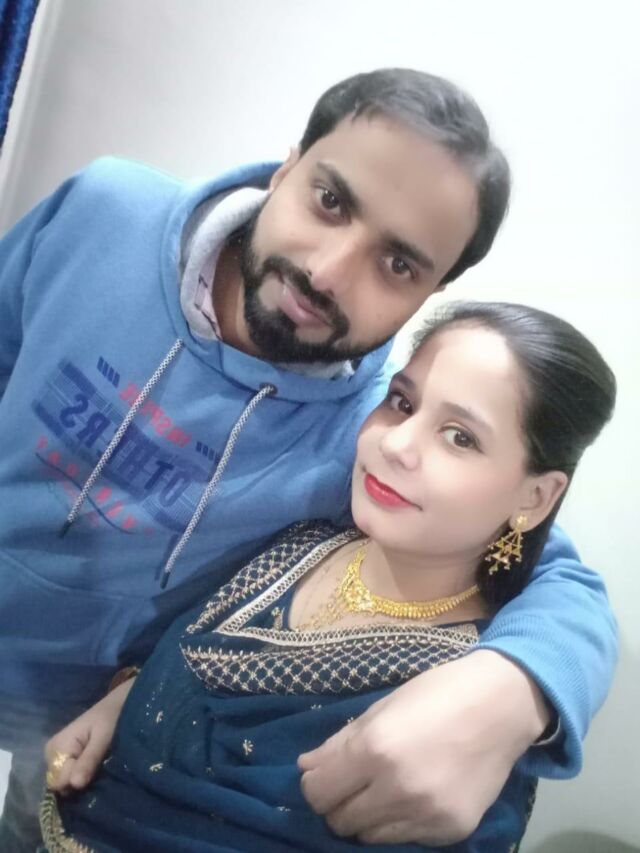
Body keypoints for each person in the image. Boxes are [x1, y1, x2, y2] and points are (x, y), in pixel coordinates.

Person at [0, 69, 617, 850]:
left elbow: (551, 567)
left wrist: (517, 686)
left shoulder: (370, 434)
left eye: (398, 263)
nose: (328, 272)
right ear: (287, 165)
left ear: (431, 289)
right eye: (330, 200)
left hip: (60, 742)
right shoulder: (103, 213)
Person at [40, 301, 617, 852]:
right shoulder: (310, 540)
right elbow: (188, 669)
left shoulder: (460, 715)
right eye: (402, 403)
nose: (396, 443)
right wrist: (131, 698)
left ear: (535, 498)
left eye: (459, 437)